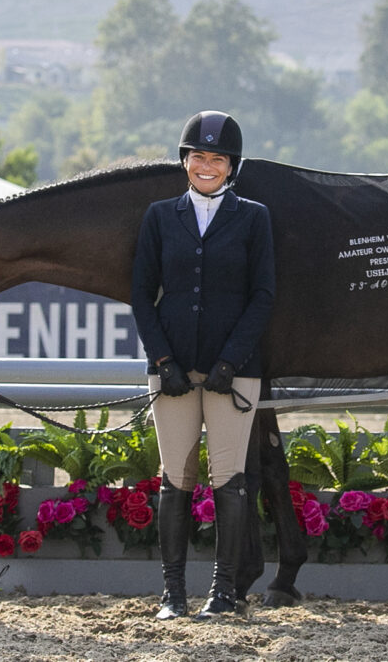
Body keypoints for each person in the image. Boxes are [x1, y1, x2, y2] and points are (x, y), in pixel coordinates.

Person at [132, 111, 276, 620]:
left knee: (230, 479)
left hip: (233, 371)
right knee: (177, 478)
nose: (207, 165)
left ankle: (223, 592)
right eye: (198, 156)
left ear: (230, 165)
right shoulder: (159, 215)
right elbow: (141, 295)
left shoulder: (253, 216)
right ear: (185, 161)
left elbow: (263, 296)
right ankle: (172, 593)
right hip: (173, 369)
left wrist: (229, 361)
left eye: (217, 158)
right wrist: (163, 360)